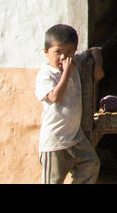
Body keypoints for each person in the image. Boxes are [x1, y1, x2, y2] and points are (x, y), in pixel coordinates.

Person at [36, 23, 104, 184]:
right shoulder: (46, 75)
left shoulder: (74, 62)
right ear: (46, 53)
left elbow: (95, 50)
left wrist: (98, 67)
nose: (63, 57)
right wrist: (66, 73)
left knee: (91, 165)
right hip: (54, 142)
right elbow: (54, 97)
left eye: (69, 52)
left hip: (74, 137)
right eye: (57, 52)